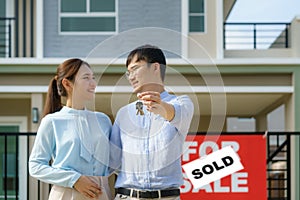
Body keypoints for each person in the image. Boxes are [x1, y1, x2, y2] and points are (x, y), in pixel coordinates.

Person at [110, 45, 194, 200]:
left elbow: (173, 114)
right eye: (128, 73)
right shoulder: (124, 113)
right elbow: (112, 161)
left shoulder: (182, 103)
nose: (131, 77)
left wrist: (160, 106)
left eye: (135, 69)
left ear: (156, 67)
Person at [29, 58, 112, 200]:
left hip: (101, 193)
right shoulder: (52, 121)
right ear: (67, 83)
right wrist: (75, 179)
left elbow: (116, 160)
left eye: (93, 78)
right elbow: (36, 166)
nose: (93, 84)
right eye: (86, 78)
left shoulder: (103, 120)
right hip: (66, 194)